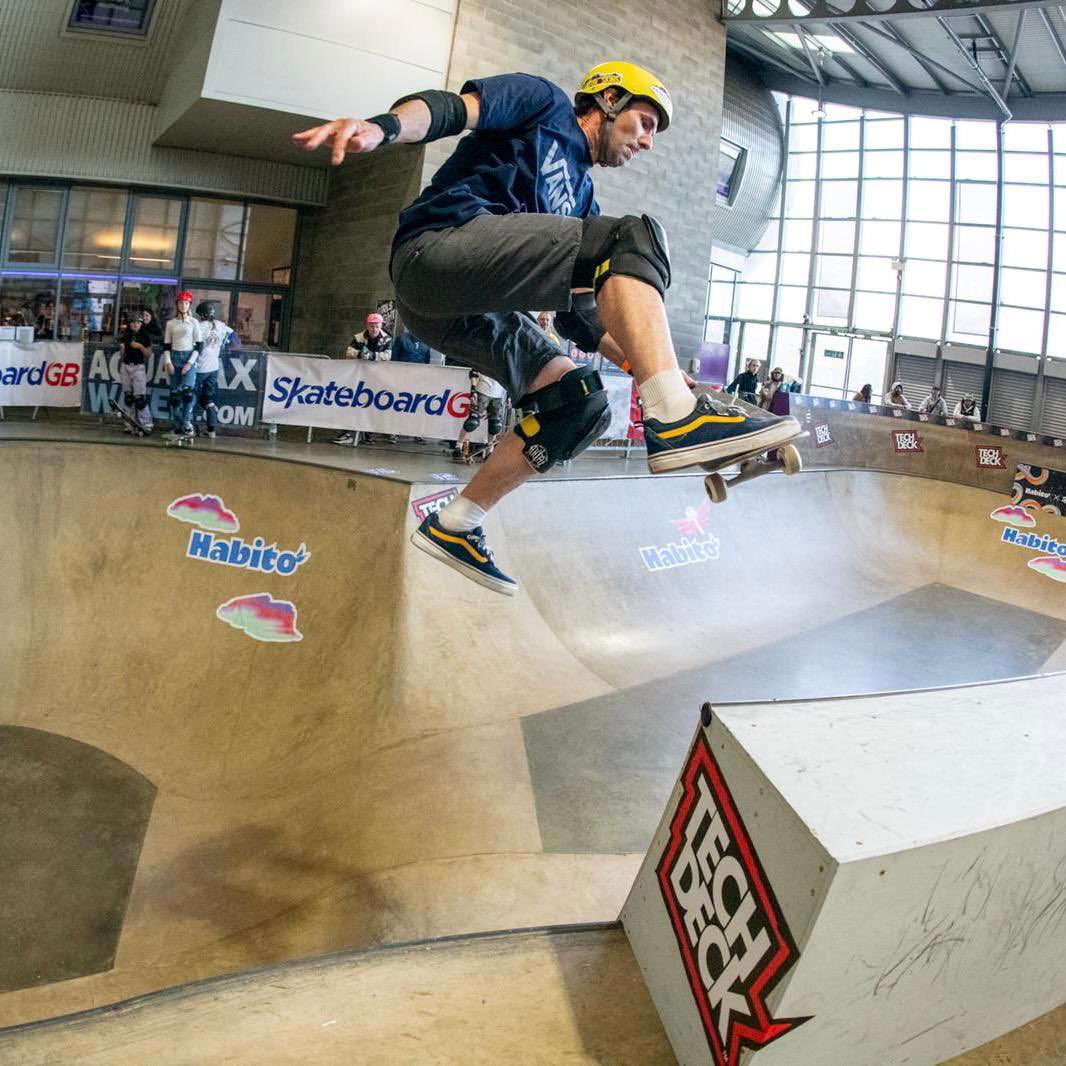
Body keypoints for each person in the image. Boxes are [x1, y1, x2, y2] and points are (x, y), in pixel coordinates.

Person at [295, 62, 798, 595]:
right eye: (645, 122)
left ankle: (456, 523)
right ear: (607, 100)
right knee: (635, 237)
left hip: (466, 313)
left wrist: (648, 366)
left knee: (579, 400)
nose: (647, 142)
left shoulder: (582, 200)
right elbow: (450, 109)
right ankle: (674, 415)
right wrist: (384, 128)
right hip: (435, 253)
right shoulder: (543, 104)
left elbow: (579, 320)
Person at [162, 291, 203, 442]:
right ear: (177, 305)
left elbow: (199, 346)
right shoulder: (171, 323)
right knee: (174, 396)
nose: (183, 305)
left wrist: (189, 363)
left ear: (189, 305)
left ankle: (187, 422)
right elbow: (166, 345)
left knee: (187, 394)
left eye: (186, 303)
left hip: (188, 358)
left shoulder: (194, 323)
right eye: (181, 303)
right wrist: (168, 362)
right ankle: (176, 425)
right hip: (174, 357)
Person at [193, 300, 234, 439]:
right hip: (213, 369)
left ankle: (192, 428)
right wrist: (222, 348)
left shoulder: (198, 326)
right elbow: (236, 342)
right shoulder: (221, 325)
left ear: (201, 315)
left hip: (199, 368)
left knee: (191, 398)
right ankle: (211, 431)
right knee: (209, 400)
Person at [453, 369, 508, 461]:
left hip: (498, 395)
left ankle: (490, 451)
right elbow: (473, 373)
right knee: (472, 422)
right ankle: (458, 446)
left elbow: (509, 380)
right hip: (482, 392)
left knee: (494, 425)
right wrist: (473, 391)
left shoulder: (506, 361)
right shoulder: (485, 357)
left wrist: (509, 397)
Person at [117, 310, 155, 434]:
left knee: (139, 398)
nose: (135, 325)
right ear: (129, 324)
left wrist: (139, 346)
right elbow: (122, 357)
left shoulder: (145, 335)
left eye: (138, 323)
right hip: (126, 366)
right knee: (128, 397)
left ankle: (146, 424)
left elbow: (149, 354)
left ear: (141, 323)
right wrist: (122, 349)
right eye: (133, 323)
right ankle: (129, 423)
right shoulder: (125, 335)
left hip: (138, 366)